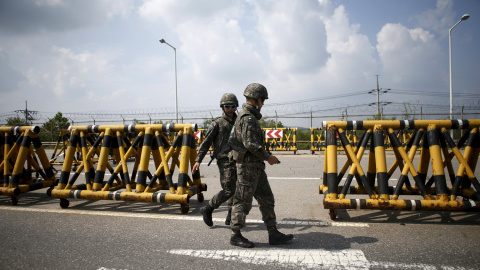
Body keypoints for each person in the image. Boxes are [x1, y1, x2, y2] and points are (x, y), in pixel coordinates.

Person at [229, 83, 293, 248]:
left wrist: (260, 161)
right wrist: (267, 157)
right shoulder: (248, 118)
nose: (263, 103)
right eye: (262, 100)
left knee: (266, 199)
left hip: (255, 166)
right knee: (243, 201)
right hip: (247, 168)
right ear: (255, 99)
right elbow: (250, 144)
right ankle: (235, 235)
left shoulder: (249, 116)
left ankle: (273, 233)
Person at [192, 93, 238, 227]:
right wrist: (198, 160)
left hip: (239, 159)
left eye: (232, 106)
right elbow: (206, 143)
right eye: (227, 106)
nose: (230, 108)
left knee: (237, 188)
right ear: (222, 107)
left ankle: (230, 215)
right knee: (228, 189)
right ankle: (208, 208)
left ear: (236, 107)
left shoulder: (240, 121)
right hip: (224, 160)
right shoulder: (217, 123)